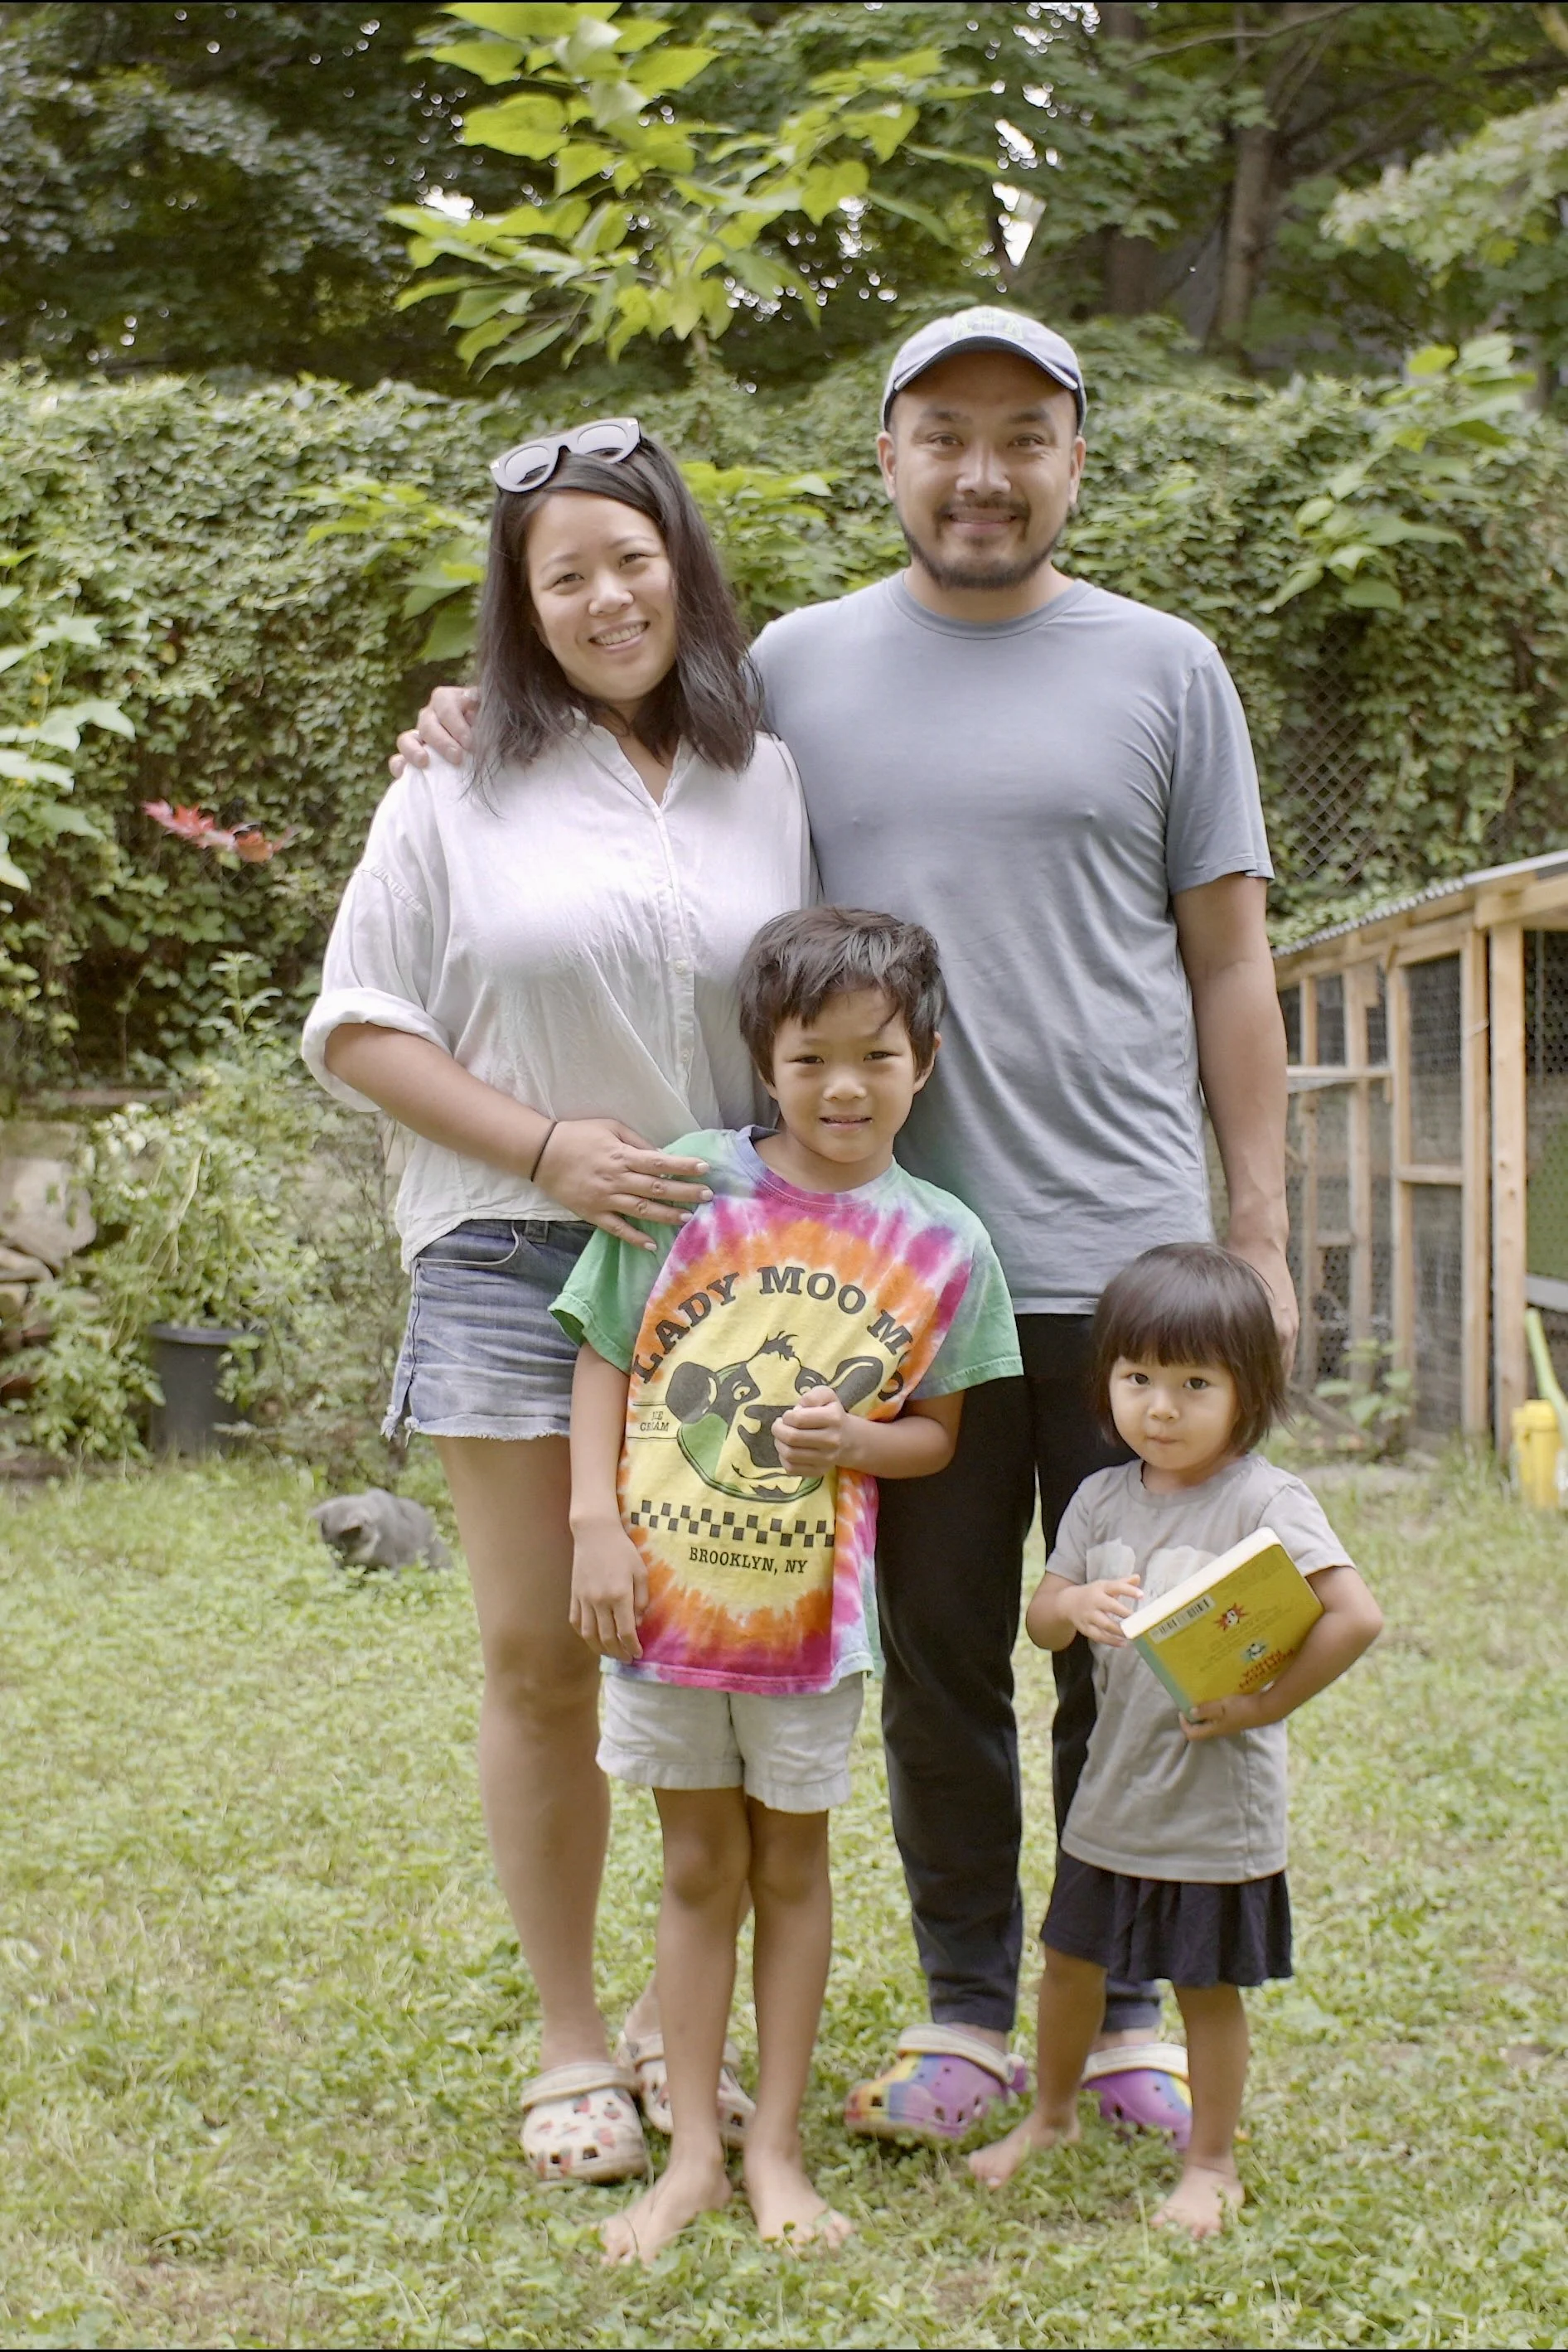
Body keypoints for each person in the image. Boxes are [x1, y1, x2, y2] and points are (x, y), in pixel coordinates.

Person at [396, 304, 1295, 2146]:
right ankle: (968, 2004)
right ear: (885, 457)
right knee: (941, 1663)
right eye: (943, 435)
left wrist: (1261, 1232)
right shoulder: (791, 670)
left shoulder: (1170, 667)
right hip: (888, 1278)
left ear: (1075, 459)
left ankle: (1126, 2008)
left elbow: (1231, 961)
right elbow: (629, 736)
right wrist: (483, 715)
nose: (983, 472)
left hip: (1130, 1259)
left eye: (1024, 436)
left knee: (1146, 1637)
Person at [302, 419, 812, 2185]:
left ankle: (688, 2024)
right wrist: (546, 1149)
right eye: (564, 574)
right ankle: (572, 2040)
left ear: (683, 565)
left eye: (632, 558)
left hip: (728, 1276)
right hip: (512, 1253)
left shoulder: (767, 772)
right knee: (538, 1656)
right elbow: (356, 1022)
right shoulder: (452, 784)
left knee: (709, 1652)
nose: (607, 597)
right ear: (520, 607)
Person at [551, 907, 1022, 2260]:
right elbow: (604, 1350)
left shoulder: (946, 1243)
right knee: (697, 1865)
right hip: (660, 1608)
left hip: (809, 1629)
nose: (842, 1087)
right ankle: (695, 2154)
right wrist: (591, 1521)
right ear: (765, 1059)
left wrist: (856, 1441)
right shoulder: (691, 1182)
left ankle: (775, 2150)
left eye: (877, 1055)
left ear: (925, 1061)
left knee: (793, 1868)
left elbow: (936, 1434)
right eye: (811, 1057)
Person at [969, 1241, 1382, 2234]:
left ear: (1249, 1389)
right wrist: (1074, 1605)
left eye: (1194, 1383)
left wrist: (1263, 1707)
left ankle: (1210, 2162)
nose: (1160, 1408)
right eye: (1137, 1378)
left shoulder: (1263, 1501)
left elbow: (1353, 1616)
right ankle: (1051, 2118)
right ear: (1105, 1381)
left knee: (1203, 1986)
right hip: (1111, 1792)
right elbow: (1041, 1619)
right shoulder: (1099, 1498)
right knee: (1068, 1962)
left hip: (1210, 1801)